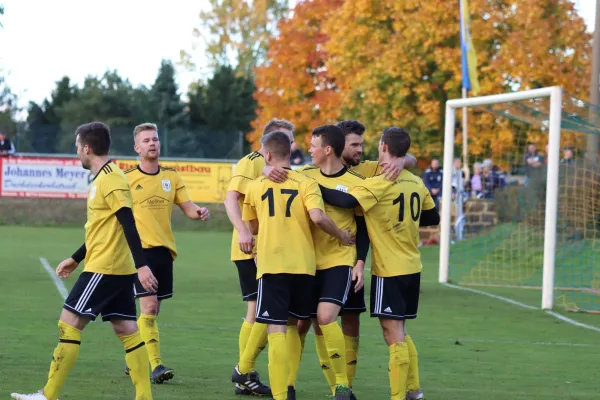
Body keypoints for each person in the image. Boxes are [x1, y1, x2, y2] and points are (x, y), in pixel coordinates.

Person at [11, 122, 155, 400]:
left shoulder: (111, 179)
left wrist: (142, 265)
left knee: (68, 323)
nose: (77, 152)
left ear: (87, 148)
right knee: (126, 328)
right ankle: (144, 397)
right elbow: (104, 228)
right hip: (114, 266)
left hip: (105, 267)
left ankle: (47, 395)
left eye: (77, 147)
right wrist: (76, 258)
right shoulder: (105, 178)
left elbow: (128, 223)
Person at [317, 127, 440, 400]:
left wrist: (312, 187)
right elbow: (432, 218)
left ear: (383, 146)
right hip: (412, 265)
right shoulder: (416, 182)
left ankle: (400, 396)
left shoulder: (381, 181)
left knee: (392, 332)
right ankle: (413, 391)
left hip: (390, 268)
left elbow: (345, 199)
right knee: (401, 330)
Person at [232, 131, 354, 400]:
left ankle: (280, 393)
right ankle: (335, 384)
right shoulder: (306, 181)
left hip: (271, 264)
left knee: (276, 328)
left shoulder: (255, 186)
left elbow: (252, 226)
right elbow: (318, 217)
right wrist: (342, 235)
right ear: (290, 153)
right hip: (304, 266)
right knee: (299, 324)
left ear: (267, 155)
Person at [121, 123, 210, 383]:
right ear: (137, 148)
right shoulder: (127, 179)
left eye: (155, 139)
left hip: (164, 252)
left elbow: (188, 207)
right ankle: (156, 366)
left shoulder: (172, 177)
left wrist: (199, 212)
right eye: (146, 140)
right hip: (140, 254)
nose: (152, 143)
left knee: (154, 310)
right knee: (148, 307)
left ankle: (133, 357)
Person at [286, 125, 370, 399]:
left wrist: (359, 262)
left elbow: (362, 225)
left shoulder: (357, 182)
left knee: (325, 318)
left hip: (339, 260)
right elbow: (276, 173)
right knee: (301, 324)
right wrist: (267, 170)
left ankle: (343, 385)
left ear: (327, 150)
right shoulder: (304, 174)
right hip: (308, 261)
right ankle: (288, 386)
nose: (308, 149)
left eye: (313, 145)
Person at [224, 118, 296, 396]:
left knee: (267, 312)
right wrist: (244, 232)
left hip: (273, 249)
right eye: (284, 138)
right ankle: (244, 372)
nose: (289, 144)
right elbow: (231, 199)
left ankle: (246, 372)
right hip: (251, 248)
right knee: (257, 311)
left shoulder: (283, 167)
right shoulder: (251, 161)